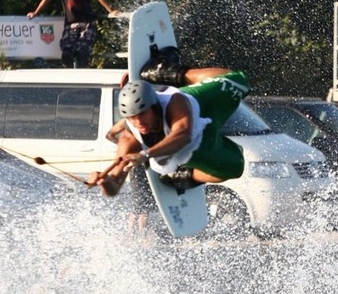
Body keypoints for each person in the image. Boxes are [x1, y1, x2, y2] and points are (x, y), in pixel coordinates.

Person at [87, 65, 250, 197]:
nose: (138, 122)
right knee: (237, 168)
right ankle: (183, 176)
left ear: (154, 104)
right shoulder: (129, 139)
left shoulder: (174, 101)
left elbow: (183, 135)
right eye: (131, 118)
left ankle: (172, 72)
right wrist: (104, 182)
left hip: (201, 107)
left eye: (142, 113)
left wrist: (145, 155)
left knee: (239, 80)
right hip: (197, 148)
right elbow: (114, 187)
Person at [105, 117, 156, 238]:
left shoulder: (145, 119)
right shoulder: (128, 120)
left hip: (148, 161)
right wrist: (125, 149)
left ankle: (132, 235)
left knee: (143, 200)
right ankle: (139, 236)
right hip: (136, 164)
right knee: (142, 202)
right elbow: (109, 134)